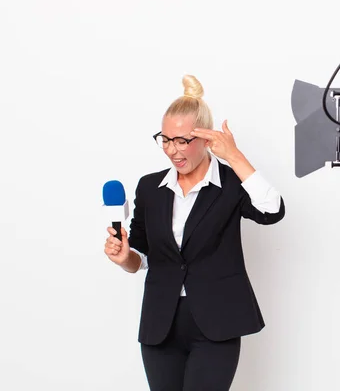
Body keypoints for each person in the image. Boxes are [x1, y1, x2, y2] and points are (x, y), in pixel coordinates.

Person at [103, 74, 285, 390]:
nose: (173, 150)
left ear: (206, 138)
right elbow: (142, 257)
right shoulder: (150, 187)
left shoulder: (231, 182)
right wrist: (125, 257)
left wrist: (235, 156)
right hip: (162, 323)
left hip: (217, 321)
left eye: (183, 140)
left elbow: (272, 211)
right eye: (166, 139)